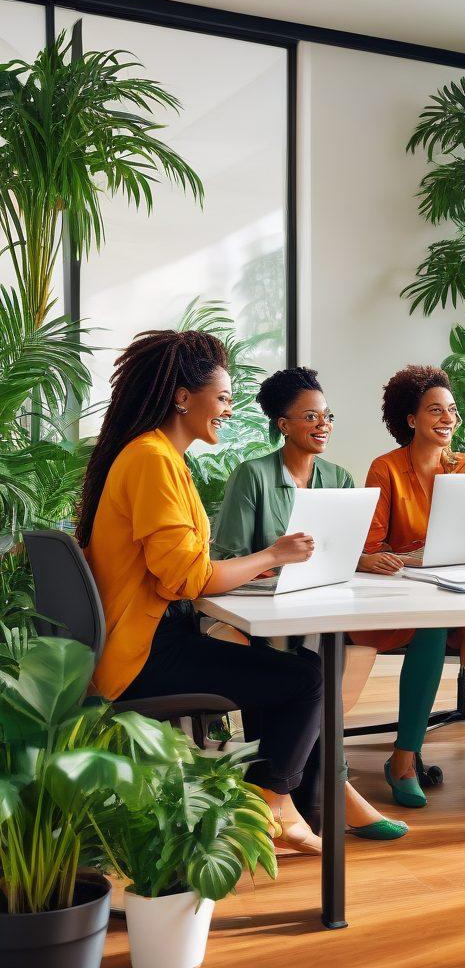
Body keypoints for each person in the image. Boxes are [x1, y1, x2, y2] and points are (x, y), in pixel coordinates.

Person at [80, 330, 325, 855]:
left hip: (142, 638)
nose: (229, 411)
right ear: (182, 397)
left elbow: (179, 568)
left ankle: (272, 805)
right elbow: (184, 579)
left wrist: (248, 566)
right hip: (142, 653)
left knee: (277, 671)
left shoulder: (157, 455)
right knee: (304, 679)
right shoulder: (153, 459)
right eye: (224, 398)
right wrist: (273, 556)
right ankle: (275, 809)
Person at [213, 366, 408, 841]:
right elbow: (228, 556)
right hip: (259, 614)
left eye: (328, 416)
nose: (323, 425)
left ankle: (292, 796)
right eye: (310, 417)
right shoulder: (253, 476)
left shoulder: (337, 477)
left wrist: (367, 559)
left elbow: (339, 551)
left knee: (322, 667)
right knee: (303, 678)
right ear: (283, 424)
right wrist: (276, 562)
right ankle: (335, 790)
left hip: (320, 604)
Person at [351, 365, 465, 805]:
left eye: (451, 410)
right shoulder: (386, 469)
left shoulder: (463, 465)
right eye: (435, 410)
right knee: (435, 624)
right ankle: (404, 758)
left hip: (452, 586)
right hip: (401, 598)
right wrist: (410, 556)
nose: (447, 418)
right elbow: (372, 547)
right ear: (411, 420)